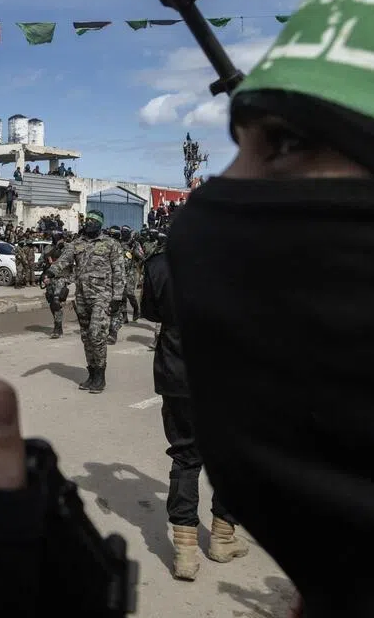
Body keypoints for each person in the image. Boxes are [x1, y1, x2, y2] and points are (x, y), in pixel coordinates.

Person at [141, 235, 247, 579]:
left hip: (176, 373)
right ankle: (222, 537)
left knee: (185, 456)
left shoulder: (157, 264)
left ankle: (185, 553)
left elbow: (149, 312)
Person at [47, 210, 124, 393]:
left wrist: (117, 298)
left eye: (92, 221)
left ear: (99, 224)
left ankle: (101, 376)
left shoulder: (110, 244)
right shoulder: (76, 244)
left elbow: (119, 272)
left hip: (102, 297)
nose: (88, 223)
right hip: (82, 297)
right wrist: (50, 272)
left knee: (97, 334)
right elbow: (64, 261)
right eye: (86, 220)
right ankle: (92, 373)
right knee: (86, 337)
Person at [40, 231, 68, 339]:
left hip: (61, 277)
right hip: (49, 278)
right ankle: (57, 322)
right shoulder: (48, 248)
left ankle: (57, 328)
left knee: (57, 301)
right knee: (52, 302)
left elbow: (70, 262)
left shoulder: (66, 248)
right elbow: (41, 260)